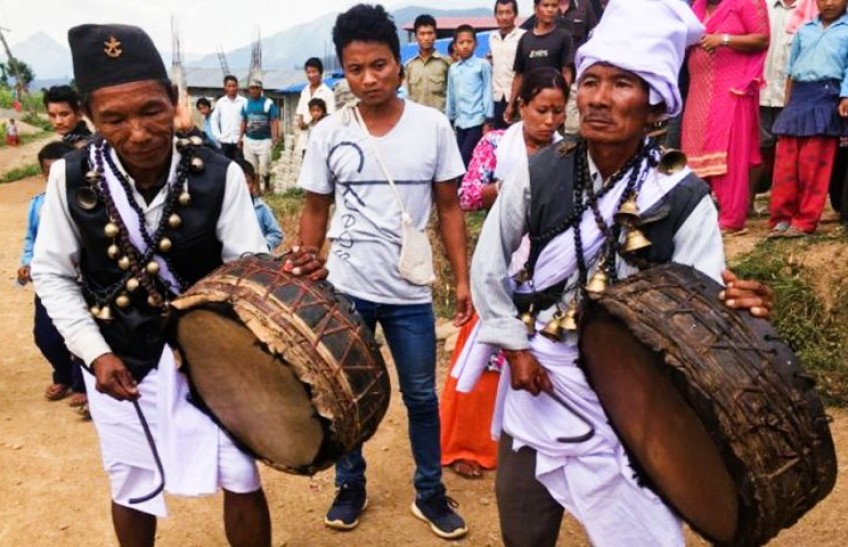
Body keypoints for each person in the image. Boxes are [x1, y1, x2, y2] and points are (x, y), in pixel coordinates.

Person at [453, 1, 774, 545]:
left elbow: (702, 297)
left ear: (655, 103)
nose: (600, 98)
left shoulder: (681, 195)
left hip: (635, 394)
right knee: (525, 531)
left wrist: (738, 307)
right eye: (593, 80)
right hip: (540, 382)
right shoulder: (539, 174)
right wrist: (517, 347)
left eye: (623, 83)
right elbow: (489, 269)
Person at [31, 24, 278, 546]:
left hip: (212, 358)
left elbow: (249, 267)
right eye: (114, 119)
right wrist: (94, 355)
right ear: (90, 116)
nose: (137, 133)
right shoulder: (70, 179)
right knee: (132, 483)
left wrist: (282, 280)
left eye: (151, 111)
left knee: (241, 474)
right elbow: (53, 273)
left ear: (173, 100)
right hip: (120, 357)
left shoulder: (219, 175)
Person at [296, 4, 472, 540]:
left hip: (410, 293)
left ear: (399, 63)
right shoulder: (329, 133)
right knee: (344, 394)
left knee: (421, 396)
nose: (368, 78)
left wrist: (461, 280)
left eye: (378, 64)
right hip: (346, 289)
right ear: (342, 72)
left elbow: (448, 208)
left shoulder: (433, 127)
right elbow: (314, 208)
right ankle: (350, 486)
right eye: (355, 68)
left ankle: (430, 492)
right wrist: (307, 269)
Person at [443, 67, 567, 480]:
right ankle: (469, 447)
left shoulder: (569, 155)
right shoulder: (495, 143)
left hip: (551, 270)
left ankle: (531, 443)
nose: (550, 121)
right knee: (490, 352)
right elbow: (467, 195)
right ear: (520, 106)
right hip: (500, 265)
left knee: (543, 353)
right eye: (542, 110)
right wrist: (514, 187)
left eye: (558, 112)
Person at [681, 0, 770, 235]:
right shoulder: (696, 8)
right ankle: (701, 214)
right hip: (699, 89)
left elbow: (761, 38)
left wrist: (723, 39)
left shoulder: (748, 2)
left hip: (732, 88)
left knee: (729, 152)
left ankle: (732, 218)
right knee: (696, 148)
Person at [18, 141, 89, 412]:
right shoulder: (37, 204)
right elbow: (31, 238)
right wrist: (27, 262)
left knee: (83, 332)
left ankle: (82, 384)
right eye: (48, 173)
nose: (53, 179)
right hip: (50, 280)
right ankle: (63, 373)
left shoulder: (87, 202)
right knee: (45, 335)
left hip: (84, 281)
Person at [767, 0, 848, 237]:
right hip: (798, 100)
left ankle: (805, 220)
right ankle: (781, 217)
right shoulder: (804, 29)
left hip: (826, 98)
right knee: (785, 165)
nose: (829, 3)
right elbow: (791, 71)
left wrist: (845, 97)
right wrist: (787, 105)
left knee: (813, 165)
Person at [752, 0, 797, 213]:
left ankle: (784, 204)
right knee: (757, 147)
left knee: (789, 150)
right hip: (760, 91)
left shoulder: (811, 8)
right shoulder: (763, 6)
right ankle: (748, 201)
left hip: (793, 94)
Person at [504, 0, 576, 125]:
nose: (550, 9)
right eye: (546, 5)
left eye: (554, 6)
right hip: (529, 105)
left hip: (551, 107)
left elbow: (566, 73)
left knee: (553, 143)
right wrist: (511, 104)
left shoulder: (564, 37)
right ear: (536, 8)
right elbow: (519, 75)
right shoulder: (525, 39)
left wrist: (563, 102)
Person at [446, 25, 494, 167]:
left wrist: (488, 119)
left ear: (476, 44)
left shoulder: (482, 65)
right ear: (455, 46)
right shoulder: (453, 69)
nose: (465, 46)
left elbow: (487, 91)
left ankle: (464, 187)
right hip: (460, 122)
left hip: (477, 120)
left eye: (469, 42)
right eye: (461, 43)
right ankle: (465, 187)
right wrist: (450, 118)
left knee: (465, 157)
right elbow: (451, 94)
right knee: (460, 156)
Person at [489, 0, 526, 130]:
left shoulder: (524, 36)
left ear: (515, 14)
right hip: (497, 97)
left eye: (508, 12)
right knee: (499, 138)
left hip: (518, 98)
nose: (504, 17)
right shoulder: (492, 37)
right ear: (495, 15)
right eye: (500, 13)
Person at [240, 79, 280, 193]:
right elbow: (243, 121)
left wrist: (275, 137)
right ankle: (256, 188)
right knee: (252, 167)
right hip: (249, 140)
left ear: (261, 90)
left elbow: (273, 121)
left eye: (257, 88)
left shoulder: (268, 103)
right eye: (252, 88)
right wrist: (240, 138)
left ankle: (267, 185)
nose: (254, 90)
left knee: (265, 166)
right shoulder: (246, 103)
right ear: (249, 90)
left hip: (265, 140)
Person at [404, 14, 451, 112]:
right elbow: (405, 95)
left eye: (430, 33)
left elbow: (453, 94)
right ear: (416, 36)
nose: (426, 37)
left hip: (440, 120)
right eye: (422, 34)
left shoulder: (447, 63)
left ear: (435, 35)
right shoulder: (409, 66)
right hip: (416, 120)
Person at [238, 159, 283, 250]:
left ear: (254, 183)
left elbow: (276, 234)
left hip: (255, 256)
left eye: (247, 182)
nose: (243, 187)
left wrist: (263, 246)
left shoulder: (261, 208)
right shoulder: (226, 208)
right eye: (239, 182)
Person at [296, 57, 337, 157]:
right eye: (308, 72)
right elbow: (301, 113)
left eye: (314, 72)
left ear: (321, 72)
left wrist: (314, 121)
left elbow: (331, 117)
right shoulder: (304, 91)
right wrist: (301, 123)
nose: (311, 75)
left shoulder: (327, 92)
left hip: (321, 140)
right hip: (306, 139)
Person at [210, 74, 247, 160]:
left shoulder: (244, 102)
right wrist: (218, 136)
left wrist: (244, 138)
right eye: (229, 86)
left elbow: (248, 121)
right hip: (225, 142)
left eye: (234, 86)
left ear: (237, 86)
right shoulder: (221, 102)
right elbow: (214, 120)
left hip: (239, 142)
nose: (232, 88)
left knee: (240, 167)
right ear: (225, 87)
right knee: (226, 167)